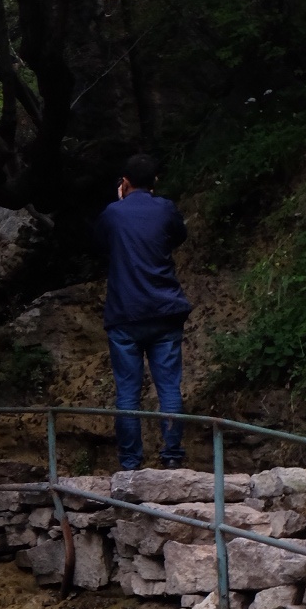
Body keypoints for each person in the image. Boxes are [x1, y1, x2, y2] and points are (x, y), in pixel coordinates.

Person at [94, 153, 191, 471]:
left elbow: (101, 244)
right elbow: (178, 236)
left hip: (125, 314)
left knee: (127, 392)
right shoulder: (165, 208)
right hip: (164, 309)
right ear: (155, 182)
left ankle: (131, 463)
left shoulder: (113, 213)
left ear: (125, 182)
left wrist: (119, 204)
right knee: (168, 387)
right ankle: (172, 456)